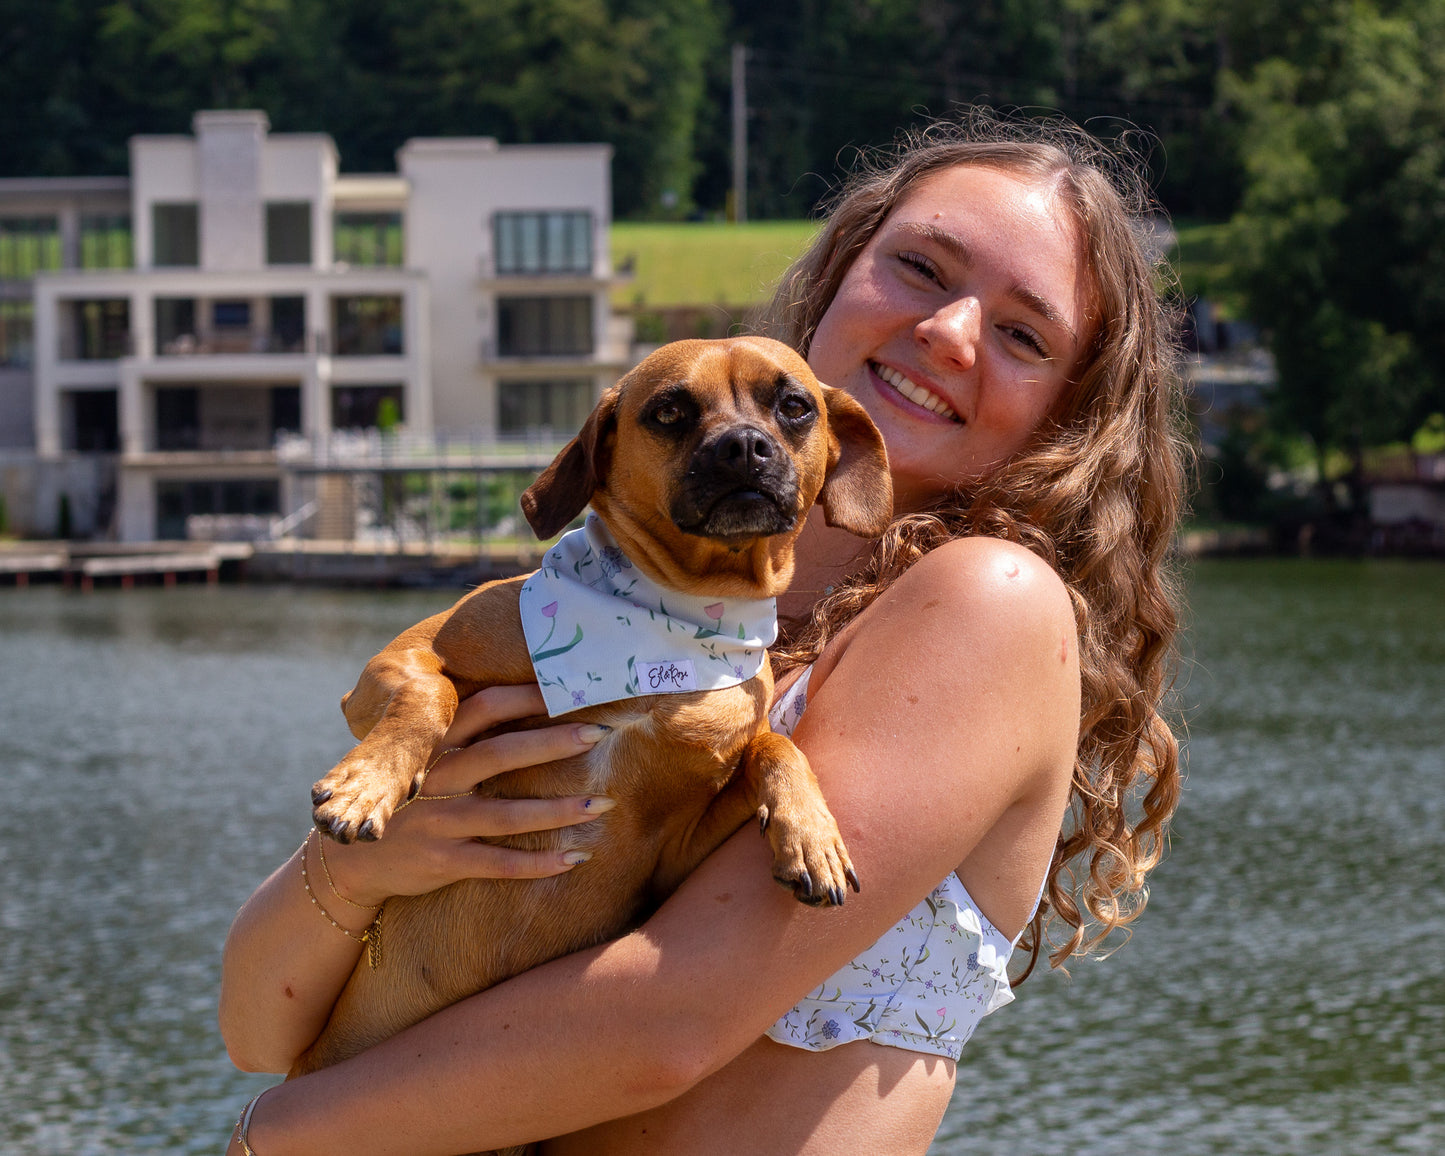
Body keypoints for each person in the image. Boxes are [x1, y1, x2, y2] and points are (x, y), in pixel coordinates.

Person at [220, 110, 1187, 1155]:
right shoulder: (580, 626)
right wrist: (365, 867)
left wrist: (270, 1137)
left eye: (1020, 334)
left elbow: (661, 1026)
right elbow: (254, 1025)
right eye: (918, 266)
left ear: (1067, 417)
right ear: (836, 275)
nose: (948, 333)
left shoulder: (987, 603)